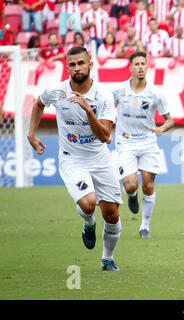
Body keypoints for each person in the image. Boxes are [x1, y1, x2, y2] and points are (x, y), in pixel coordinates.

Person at [27, 46, 123, 271]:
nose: (77, 68)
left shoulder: (103, 96)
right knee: (89, 204)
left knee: (112, 213)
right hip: (72, 159)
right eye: (72, 64)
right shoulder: (57, 92)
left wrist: (89, 110)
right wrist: (31, 133)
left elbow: (104, 136)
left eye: (81, 63)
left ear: (91, 64)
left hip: (100, 158)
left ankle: (107, 259)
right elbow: (38, 104)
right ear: (67, 67)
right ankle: (88, 223)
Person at [112, 51, 174, 239]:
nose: (140, 67)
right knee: (131, 186)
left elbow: (170, 120)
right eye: (136, 64)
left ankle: (144, 227)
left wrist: (163, 127)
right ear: (130, 67)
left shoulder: (156, 94)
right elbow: (105, 112)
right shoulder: (119, 91)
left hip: (148, 143)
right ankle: (131, 196)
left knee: (148, 185)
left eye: (143, 64)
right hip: (125, 142)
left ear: (147, 66)